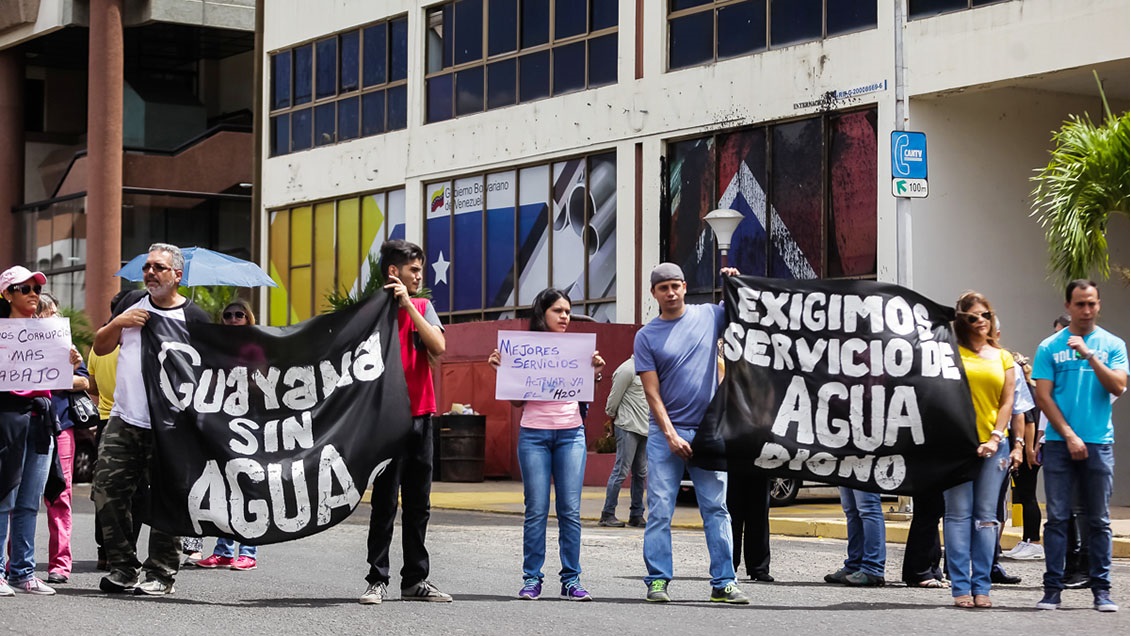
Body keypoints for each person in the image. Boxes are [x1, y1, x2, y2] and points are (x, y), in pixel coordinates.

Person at [92, 243, 212, 596]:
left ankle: (160, 573)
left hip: (173, 427)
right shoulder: (131, 304)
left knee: (168, 498)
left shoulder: (195, 318)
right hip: (125, 420)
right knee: (107, 490)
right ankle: (123, 568)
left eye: (159, 267)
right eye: (146, 267)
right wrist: (118, 322)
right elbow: (100, 347)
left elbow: (213, 371)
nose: (150, 273)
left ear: (177, 275)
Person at [635, 262, 749, 605]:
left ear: (685, 287)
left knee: (716, 508)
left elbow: (742, 312)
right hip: (664, 434)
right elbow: (651, 393)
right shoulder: (646, 336)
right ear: (654, 293)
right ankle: (657, 580)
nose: (670, 293)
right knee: (659, 509)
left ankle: (724, 582)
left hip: (709, 431)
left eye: (675, 286)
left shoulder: (708, 316)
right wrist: (670, 435)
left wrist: (734, 281)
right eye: (663, 288)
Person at [488, 287, 604, 601]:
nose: (565, 317)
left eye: (568, 311)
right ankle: (531, 579)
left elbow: (583, 393)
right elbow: (515, 402)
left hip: (570, 434)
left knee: (570, 511)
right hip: (534, 435)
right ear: (543, 313)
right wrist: (504, 372)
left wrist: (593, 374)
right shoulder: (523, 350)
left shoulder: (578, 351)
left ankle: (572, 579)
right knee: (535, 510)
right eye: (559, 311)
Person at [361, 240, 452, 604]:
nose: (420, 275)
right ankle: (376, 579)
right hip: (386, 421)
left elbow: (439, 347)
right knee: (385, 502)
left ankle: (415, 579)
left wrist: (409, 309)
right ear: (393, 272)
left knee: (420, 504)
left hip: (422, 416)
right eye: (414, 269)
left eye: (421, 269)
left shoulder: (424, 307)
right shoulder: (370, 312)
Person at [1033, 280, 1127, 612]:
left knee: (1098, 519)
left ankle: (1102, 590)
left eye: (1091, 304)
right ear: (1068, 306)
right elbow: (1042, 397)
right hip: (1060, 444)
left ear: (1099, 305)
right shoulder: (1049, 347)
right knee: (1058, 517)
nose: (1086, 310)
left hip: (1099, 442)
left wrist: (1089, 356)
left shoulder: (1113, 344)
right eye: (1080, 304)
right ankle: (1052, 589)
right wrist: (1069, 435)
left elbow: (1118, 384)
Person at [942, 291, 1014, 609]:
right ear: (962, 321)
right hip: (957, 445)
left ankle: (982, 585)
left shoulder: (1003, 357)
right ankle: (960, 587)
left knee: (986, 518)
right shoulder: (949, 354)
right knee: (958, 516)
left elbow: (1008, 401)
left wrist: (996, 438)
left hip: (995, 445)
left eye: (986, 314)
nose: (982, 321)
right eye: (973, 316)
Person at [0, 265, 58, 596]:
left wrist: (68, 361)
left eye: (36, 288)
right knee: (3, 498)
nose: (33, 294)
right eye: (25, 289)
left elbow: (64, 376)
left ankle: (23, 571)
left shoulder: (46, 332)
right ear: (7, 294)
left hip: (39, 420)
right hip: (7, 419)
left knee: (28, 501)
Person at [192, 299, 260, 571]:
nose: (233, 319)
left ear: (248, 319)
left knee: (246, 485)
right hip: (221, 422)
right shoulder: (215, 348)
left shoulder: (255, 346)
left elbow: (263, 382)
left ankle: (248, 552)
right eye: (228, 315)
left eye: (239, 315)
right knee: (222, 485)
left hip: (249, 424)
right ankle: (223, 550)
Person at [37, 291, 91, 585]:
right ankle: (13, 561)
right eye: (50, 313)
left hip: (61, 426)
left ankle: (60, 563)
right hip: (27, 425)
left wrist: (68, 368)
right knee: (19, 496)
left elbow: (84, 381)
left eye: (57, 313)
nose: (56, 318)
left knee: (61, 496)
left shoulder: (67, 346)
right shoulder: (17, 342)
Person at [598, 355, 648, 528]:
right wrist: (612, 419)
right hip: (627, 426)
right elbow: (612, 401)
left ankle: (636, 514)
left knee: (641, 474)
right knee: (621, 471)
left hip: (645, 428)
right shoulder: (626, 369)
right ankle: (607, 513)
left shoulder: (648, 369)